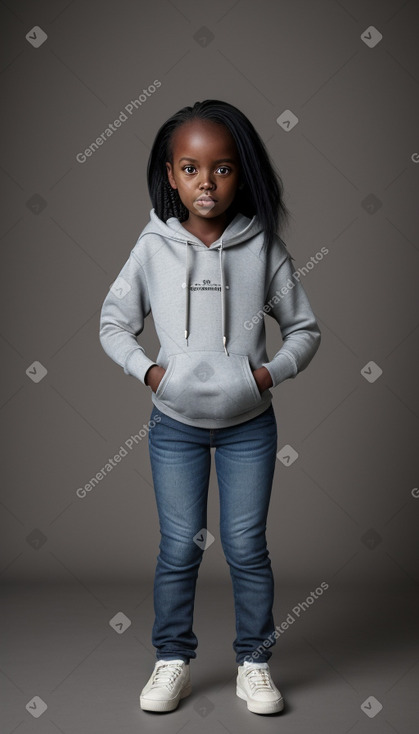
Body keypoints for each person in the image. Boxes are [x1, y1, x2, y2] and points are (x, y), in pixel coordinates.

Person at [99, 99, 321, 715]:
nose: (206, 182)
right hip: (175, 426)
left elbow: (304, 330)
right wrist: (149, 371)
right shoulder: (151, 248)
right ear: (170, 175)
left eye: (222, 169)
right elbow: (114, 323)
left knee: (247, 546)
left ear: (241, 174)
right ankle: (173, 659)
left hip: (250, 424)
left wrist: (265, 375)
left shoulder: (262, 247)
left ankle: (255, 663)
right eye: (191, 168)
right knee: (179, 547)